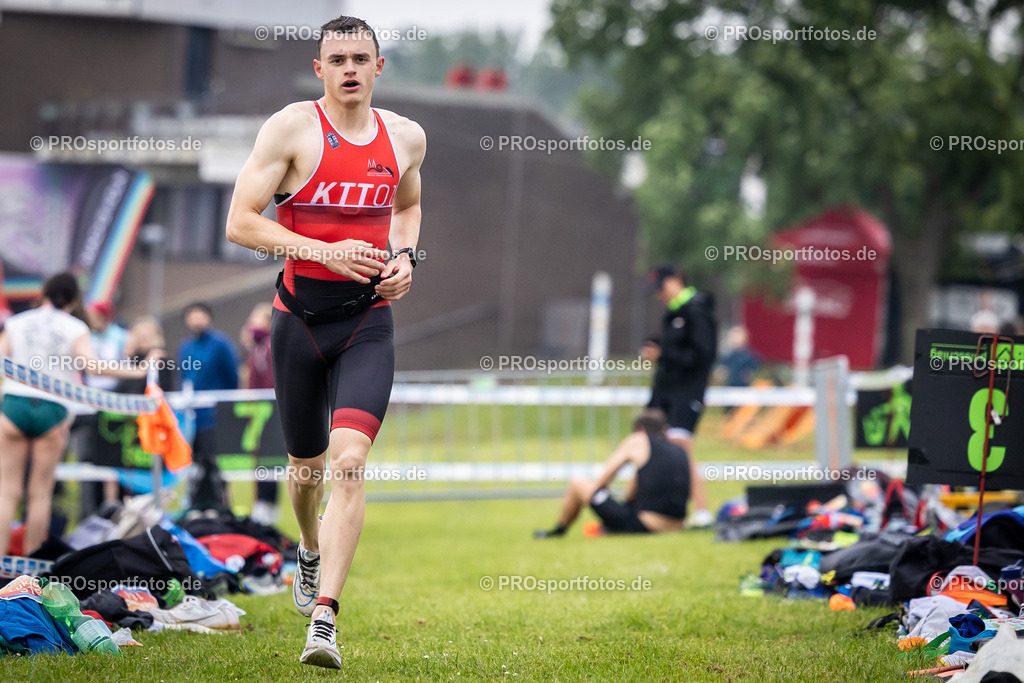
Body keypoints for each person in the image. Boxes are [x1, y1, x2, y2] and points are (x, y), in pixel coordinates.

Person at [224, 15, 425, 669]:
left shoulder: (406, 137)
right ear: (319, 69)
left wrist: (405, 257)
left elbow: (407, 204)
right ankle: (306, 548)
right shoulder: (291, 128)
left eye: (359, 58)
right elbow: (240, 223)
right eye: (335, 58)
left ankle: (325, 618)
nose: (348, 68)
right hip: (298, 321)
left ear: (378, 66)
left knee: (349, 462)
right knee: (306, 470)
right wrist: (322, 251)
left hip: (367, 321)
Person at [0, 273, 157, 556]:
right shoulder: (75, 327)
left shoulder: (17, 322)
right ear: (73, 301)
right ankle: (32, 570)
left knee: (7, 492)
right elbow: (93, 367)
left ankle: (1, 562)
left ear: (44, 293)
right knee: (40, 494)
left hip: (14, 404)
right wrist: (138, 369)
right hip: (52, 409)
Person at [534, 408, 689, 537]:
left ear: (640, 429)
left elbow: (603, 481)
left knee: (579, 484)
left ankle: (558, 531)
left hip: (647, 525)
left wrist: (607, 508)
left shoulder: (638, 439)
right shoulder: (678, 449)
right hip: (678, 525)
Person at [641, 265, 716, 526]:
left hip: (687, 392)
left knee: (681, 448)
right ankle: (649, 508)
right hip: (665, 393)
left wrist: (665, 355)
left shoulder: (697, 310)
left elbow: (701, 355)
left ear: (674, 282)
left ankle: (703, 511)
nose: (660, 295)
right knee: (649, 443)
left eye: (661, 288)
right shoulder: (673, 313)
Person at [177, 302, 239, 513]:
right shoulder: (185, 346)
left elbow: (233, 379)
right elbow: (183, 379)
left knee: (216, 466)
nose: (196, 320)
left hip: (214, 418)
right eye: (192, 316)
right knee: (194, 466)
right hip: (191, 419)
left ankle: (224, 508)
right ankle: (195, 507)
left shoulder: (221, 345)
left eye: (200, 315)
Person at [239, 303, 278, 524]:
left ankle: (266, 505)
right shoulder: (257, 349)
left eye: (257, 318)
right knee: (260, 458)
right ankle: (263, 504)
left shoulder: (269, 347)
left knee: (268, 459)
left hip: (268, 413)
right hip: (257, 412)